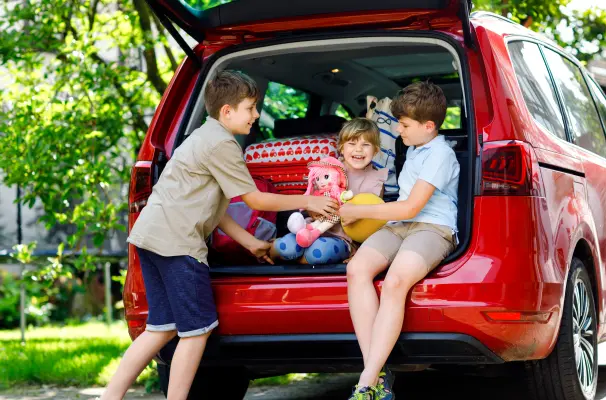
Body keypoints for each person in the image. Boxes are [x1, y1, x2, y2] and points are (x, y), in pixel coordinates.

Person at [101, 71, 337, 400]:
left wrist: (249, 241)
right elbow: (256, 200)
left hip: (149, 238)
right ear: (227, 112)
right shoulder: (222, 145)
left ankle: (109, 396)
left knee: (162, 327)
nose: (257, 115)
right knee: (197, 332)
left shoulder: (202, 136)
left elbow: (214, 206)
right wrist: (308, 199)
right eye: (251, 108)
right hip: (178, 245)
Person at [339, 82, 460, 400]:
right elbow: (401, 211)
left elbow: (411, 206)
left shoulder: (441, 154)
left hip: (433, 228)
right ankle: (376, 373)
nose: (399, 131)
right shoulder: (416, 149)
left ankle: (366, 382)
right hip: (399, 226)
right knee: (357, 270)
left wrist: (358, 210)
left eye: (404, 125)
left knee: (395, 282)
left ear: (428, 126)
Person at [271, 117, 388, 264]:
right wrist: (312, 211)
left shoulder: (376, 181)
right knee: (286, 247)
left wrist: (362, 251)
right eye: (352, 143)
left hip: (344, 239)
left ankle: (296, 259)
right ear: (341, 147)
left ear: (376, 150)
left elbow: (374, 223)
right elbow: (309, 198)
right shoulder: (327, 168)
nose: (358, 149)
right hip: (310, 227)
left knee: (317, 253)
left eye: (366, 144)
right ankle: (272, 249)